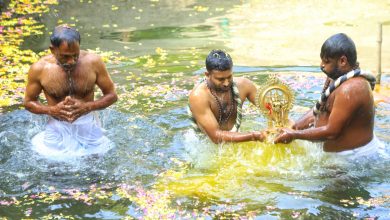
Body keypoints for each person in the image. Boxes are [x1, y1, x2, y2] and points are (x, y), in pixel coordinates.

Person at [274, 33, 382, 155]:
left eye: (326, 61)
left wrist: (294, 135)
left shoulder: (352, 88)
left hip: (355, 158)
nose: (321, 65)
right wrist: (294, 127)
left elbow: (332, 132)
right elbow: (319, 109)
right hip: (335, 156)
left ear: (342, 61)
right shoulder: (335, 78)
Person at [24, 25, 117, 153]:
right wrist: (53, 110)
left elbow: (112, 95)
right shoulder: (39, 69)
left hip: (88, 123)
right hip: (56, 126)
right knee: (53, 167)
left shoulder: (93, 62)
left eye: (75, 55)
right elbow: (28, 103)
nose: (71, 61)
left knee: (96, 165)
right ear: (52, 50)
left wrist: (87, 106)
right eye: (65, 56)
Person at [188, 49, 265, 143]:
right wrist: (254, 136)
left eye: (229, 77)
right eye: (220, 79)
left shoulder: (244, 86)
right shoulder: (199, 97)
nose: (226, 83)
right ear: (207, 75)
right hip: (205, 144)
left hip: (238, 136)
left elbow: (272, 110)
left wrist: (286, 123)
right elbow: (216, 137)